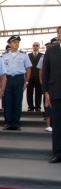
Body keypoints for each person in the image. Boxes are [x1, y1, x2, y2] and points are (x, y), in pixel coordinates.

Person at [2, 35, 31, 130]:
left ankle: (16, 123)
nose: (16, 43)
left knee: (18, 101)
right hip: (8, 79)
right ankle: (8, 122)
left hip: (19, 79)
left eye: (18, 42)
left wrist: (26, 81)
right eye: (14, 42)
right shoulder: (4, 55)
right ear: (10, 44)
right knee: (7, 101)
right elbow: (1, 70)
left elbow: (28, 68)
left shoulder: (23, 55)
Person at [41, 26, 61, 163]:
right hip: (56, 91)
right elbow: (45, 72)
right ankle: (58, 153)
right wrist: (46, 91)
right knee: (58, 124)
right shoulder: (51, 51)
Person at [27, 42, 43, 111]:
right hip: (30, 77)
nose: (35, 47)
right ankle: (30, 106)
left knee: (38, 92)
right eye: (34, 45)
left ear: (39, 47)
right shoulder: (28, 56)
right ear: (32, 47)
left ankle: (38, 106)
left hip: (38, 77)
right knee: (29, 92)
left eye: (37, 46)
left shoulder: (42, 55)